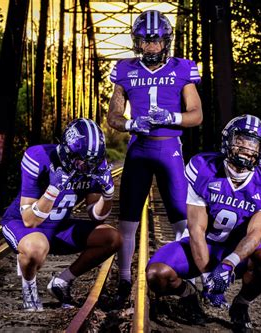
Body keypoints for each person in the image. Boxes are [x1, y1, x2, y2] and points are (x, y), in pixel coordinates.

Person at [146, 114, 261, 331]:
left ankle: (241, 305)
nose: (246, 149)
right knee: (157, 275)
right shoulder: (204, 168)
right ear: (227, 141)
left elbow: (255, 235)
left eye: (253, 144)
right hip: (203, 245)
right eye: (240, 141)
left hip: (236, 249)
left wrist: (229, 263)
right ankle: (189, 295)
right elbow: (196, 229)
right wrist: (206, 278)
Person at [107, 9, 203, 304]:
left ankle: (188, 280)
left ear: (167, 41)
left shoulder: (182, 68)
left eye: (156, 41)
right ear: (136, 42)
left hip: (169, 149)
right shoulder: (125, 69)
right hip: (139, 149)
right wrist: (130, 124)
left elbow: (196, 115)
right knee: (127, 221)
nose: (150, 47)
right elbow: (113, 115)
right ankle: (124, 280)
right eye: (145, 41)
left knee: (181, 220)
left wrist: (171, 117)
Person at [1, 118, 122, 311]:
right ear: (66, 149)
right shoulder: (39, 156)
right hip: (23, 224)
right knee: (35, 247)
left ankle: (61, 282)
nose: (86, 166)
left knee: (112, 238)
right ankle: (29, 292)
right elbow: (29, 221)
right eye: (81, 160)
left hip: (58, 226)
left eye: (91, 161)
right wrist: (52, 191)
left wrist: (108, 195)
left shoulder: (94, 163)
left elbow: (97, 217)